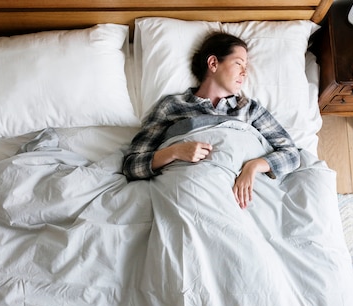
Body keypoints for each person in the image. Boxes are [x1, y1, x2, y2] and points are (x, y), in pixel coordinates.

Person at [122, 32, 301, 209]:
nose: (245, 72)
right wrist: (174, 152)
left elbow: (291, 155)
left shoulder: (249, 109)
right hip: (190, 193)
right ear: (213, 63)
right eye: (239, 63)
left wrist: (253, 167)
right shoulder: (172, 106)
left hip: (242, 200)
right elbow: (132, 166)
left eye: (245, 66)